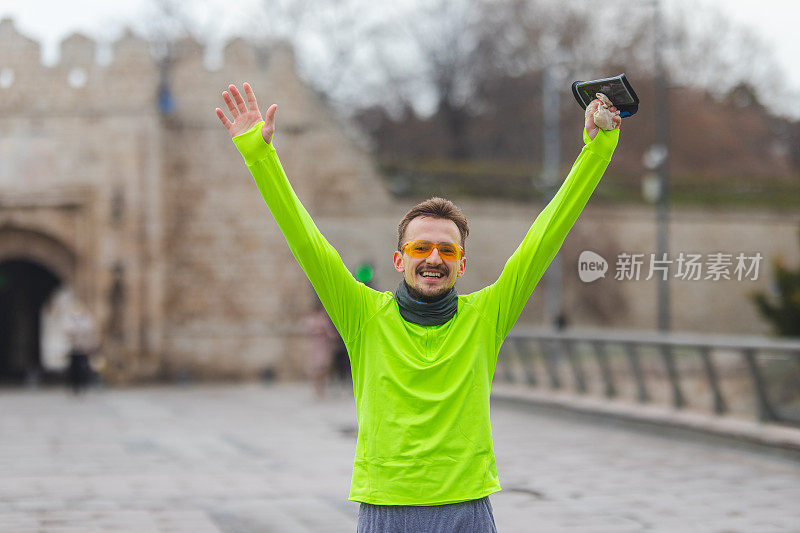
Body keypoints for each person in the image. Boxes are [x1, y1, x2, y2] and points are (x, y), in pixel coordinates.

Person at [216, 83, 621, 532]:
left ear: (462, 264)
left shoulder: (485, 315)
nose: (433, 259)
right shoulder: (363, 315)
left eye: (446, 251)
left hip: (468, 510)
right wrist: (260, 155)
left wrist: (598, 147)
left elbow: (546, 236)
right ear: (400, 259)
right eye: (421, 247)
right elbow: (305, 239)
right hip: (387, 510)